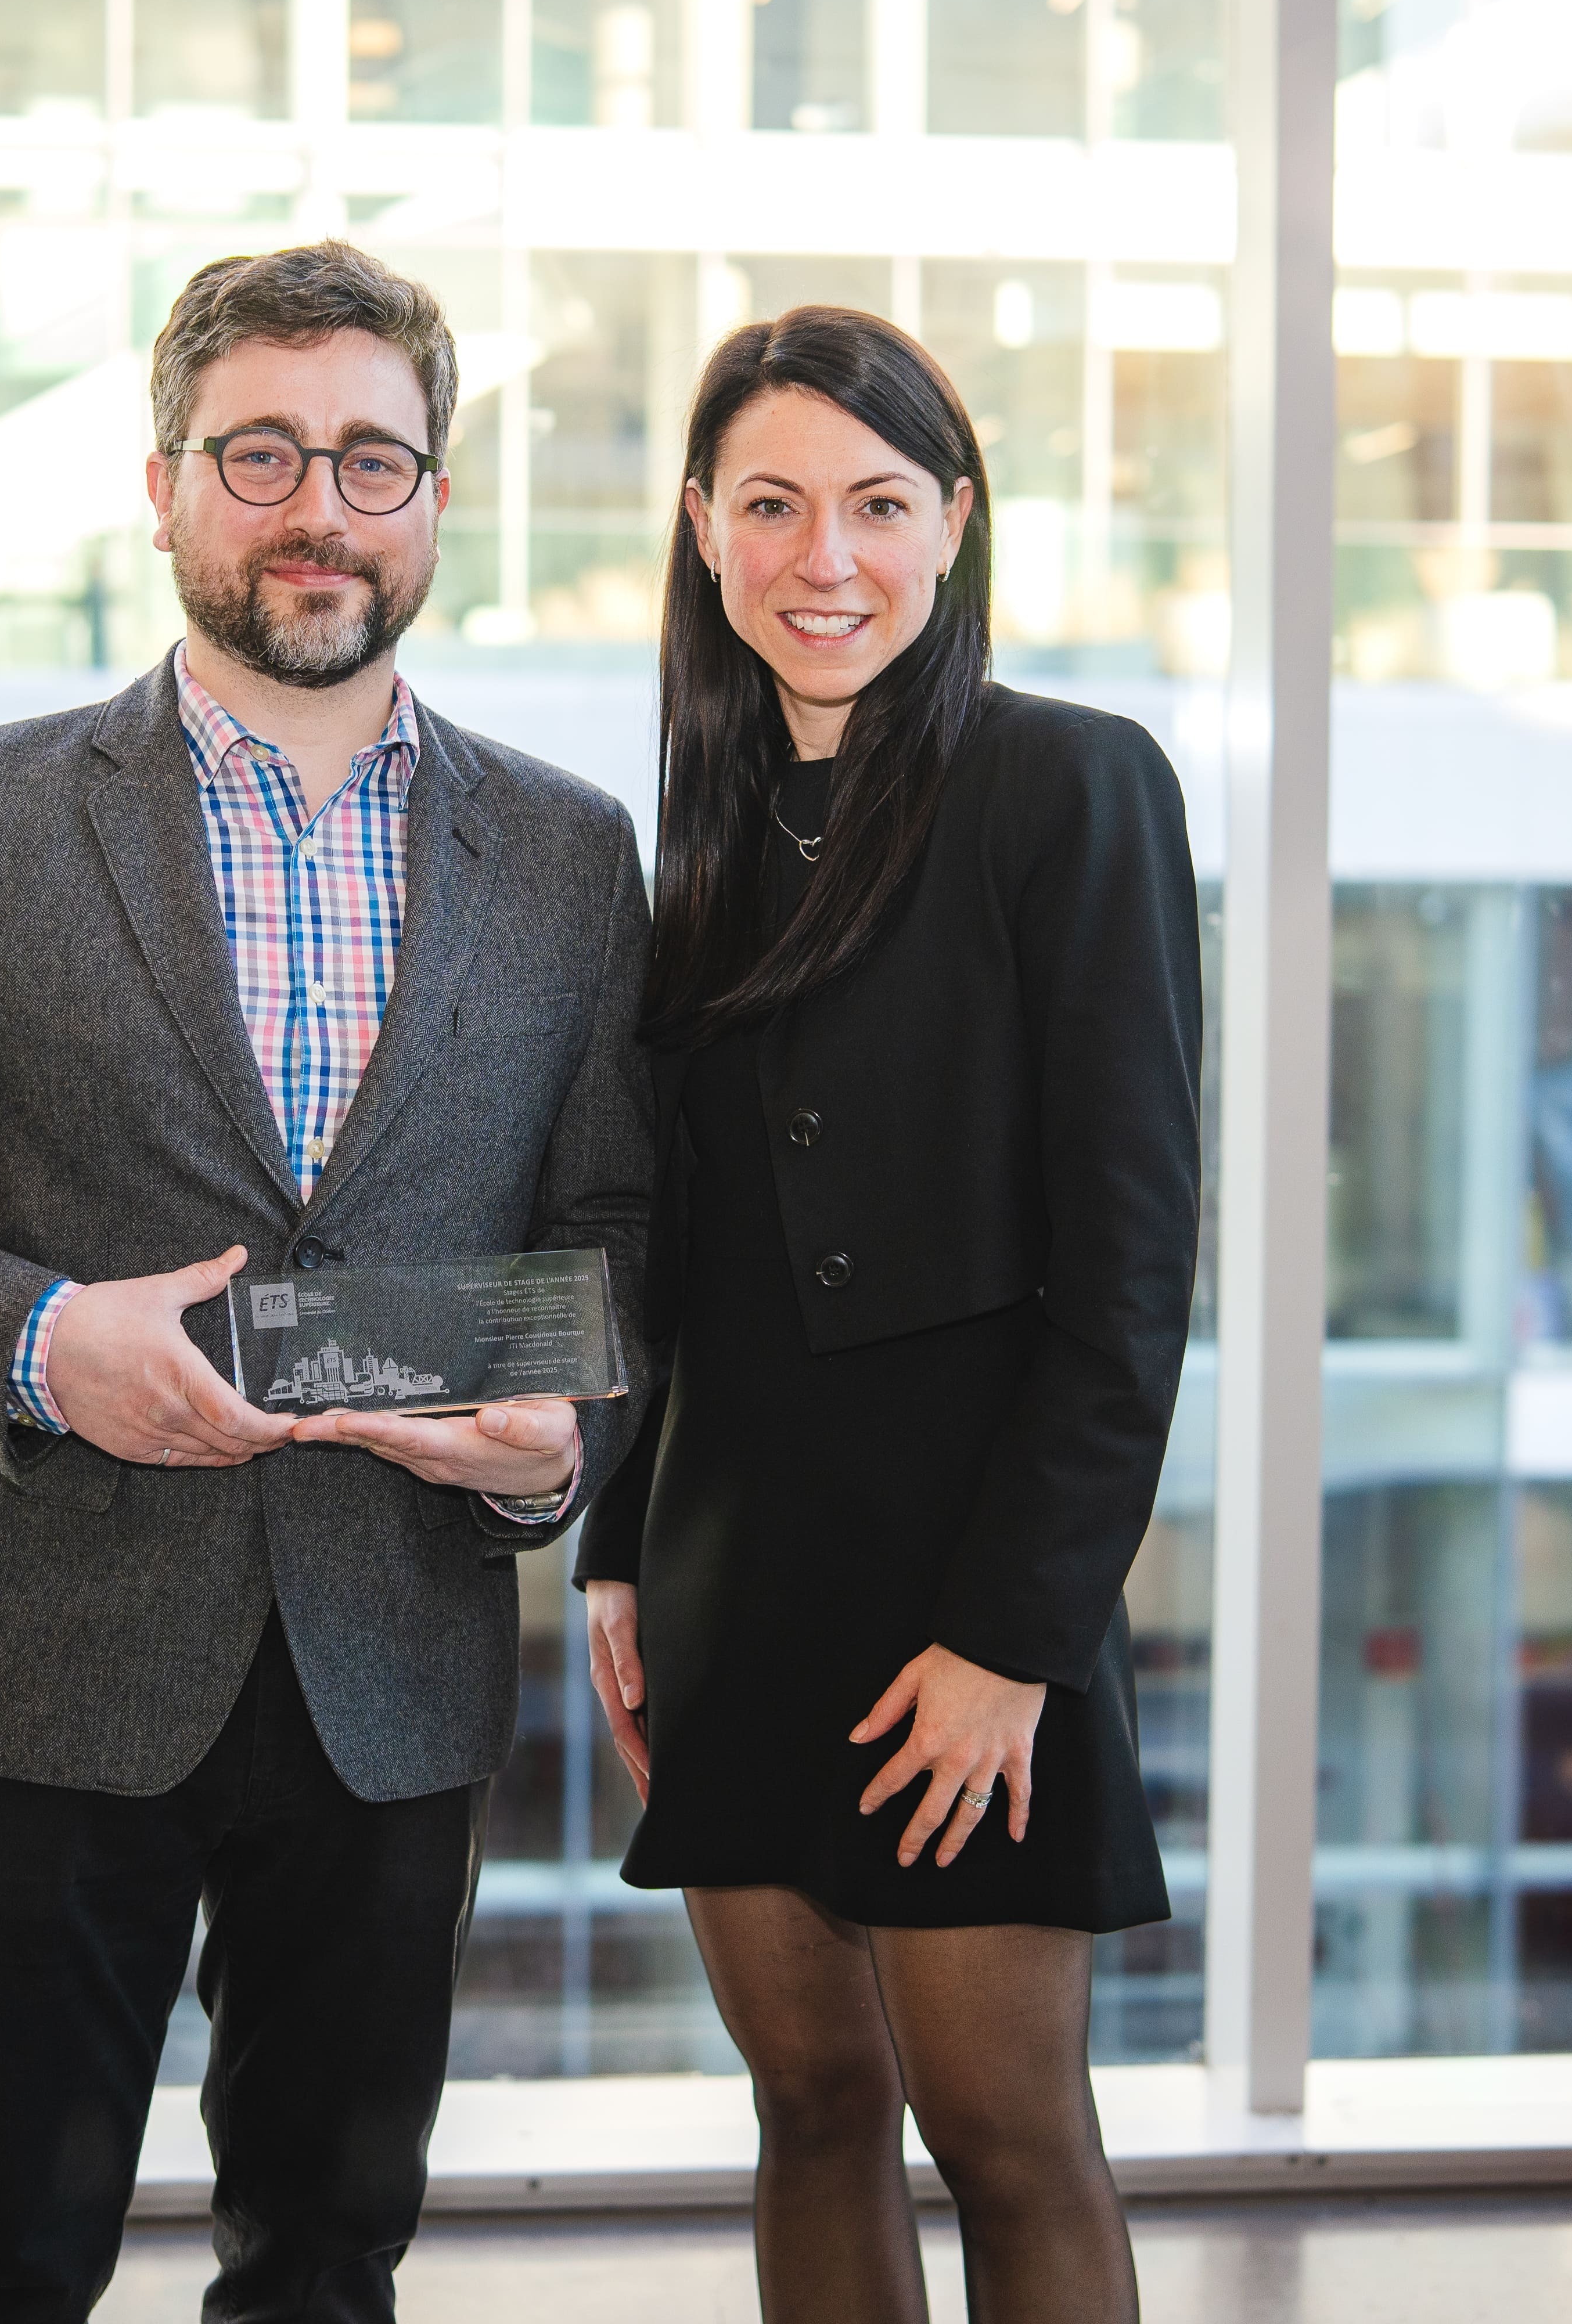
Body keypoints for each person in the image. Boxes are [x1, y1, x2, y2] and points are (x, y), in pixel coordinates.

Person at [0, 241, 654, 2323]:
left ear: (433, 499)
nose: (319, 507)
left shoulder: (574, 852)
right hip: (51, 1660)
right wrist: (48, 1343)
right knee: (2, 2269)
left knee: (326, 2268)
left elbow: (613, 1235)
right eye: (260, 453)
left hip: (392, 1672)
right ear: (161, 487)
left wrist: (544, 1450)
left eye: (371, 461)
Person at [576, 308, 1199, 2324]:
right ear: (700, 528)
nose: (819, 556)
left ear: (952, 524)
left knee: (1008, 2133)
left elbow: (1129, 1283)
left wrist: (1011, 1643)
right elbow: (661, 1244)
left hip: (970, 1585)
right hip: (730, 1572)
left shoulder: (1072, 785)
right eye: (767, 505)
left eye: (871, 504)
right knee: (812, 2103)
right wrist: (609, 1548)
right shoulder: (697, 831)